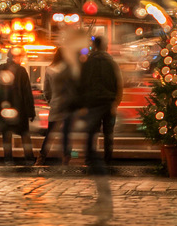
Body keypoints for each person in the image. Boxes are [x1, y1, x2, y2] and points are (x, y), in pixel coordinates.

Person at [79, 36, 123, 220]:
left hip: (93, 106)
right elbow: (119, 84)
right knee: (108, 135)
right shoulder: (112, 63)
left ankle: (104, 201)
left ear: (94, 46)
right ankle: (108, 159)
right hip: (108, 105)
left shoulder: (88, 61)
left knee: (90, 149)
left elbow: (82, 85)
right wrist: (115, 103)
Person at [34, 46, 79, 166]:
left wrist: (51, 100)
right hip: (69, 105)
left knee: (50, 133)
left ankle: (41, 158)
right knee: (67, 133)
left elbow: (46, 91)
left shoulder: (49, 69)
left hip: (56, 104)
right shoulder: (71, 68)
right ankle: (66, 159)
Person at [0, 46, 35, 166]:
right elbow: (27, 93)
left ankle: (8, 160)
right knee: (24, 134)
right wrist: (31, 111)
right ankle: (29, 159)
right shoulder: (21, 71)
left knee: (6, 135)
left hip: (3, 108)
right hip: (19, 108)